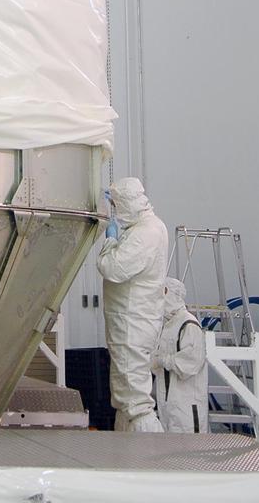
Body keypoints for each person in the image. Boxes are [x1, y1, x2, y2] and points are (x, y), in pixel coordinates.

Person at [97, 177, 168, 433]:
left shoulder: (146, 232)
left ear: (126, 203)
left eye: (116, 205)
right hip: (132, 321)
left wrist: (110, 241)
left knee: (135, 402)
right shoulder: (146, 227)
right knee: (126, 398)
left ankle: (150, 461)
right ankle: (127, 456)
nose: (115, 211)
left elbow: (113, 268)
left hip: (132, 323)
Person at [152, 277, 208, 433]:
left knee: (189, 452)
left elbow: (191, 363)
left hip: (186, 408)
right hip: (167, 406)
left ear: (172, 294)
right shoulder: (166, 326)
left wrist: (163, 360)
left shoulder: (188, 324)